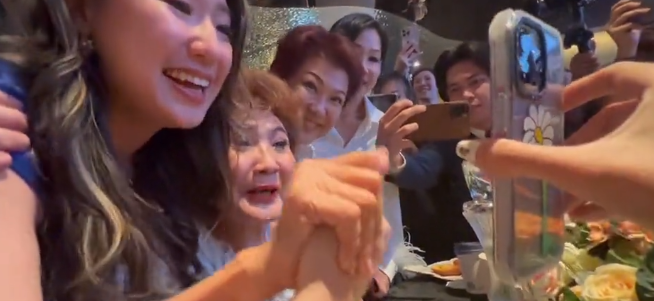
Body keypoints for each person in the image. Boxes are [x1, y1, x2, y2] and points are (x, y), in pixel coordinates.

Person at [0, 1, 388, 301]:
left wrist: (272, 267)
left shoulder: (172, 163)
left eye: (223, 27)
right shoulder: (16, 118)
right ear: (81, 8)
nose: (209, 47)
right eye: (178, 6)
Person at [328, 13, 429, 299]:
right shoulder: (306, 123)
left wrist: (384, 271)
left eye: (373, 58)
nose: (363, 67)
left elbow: (391, 223)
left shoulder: (387, 127)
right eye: (352, 52)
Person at [269, 25, 364, 154]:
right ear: (280, 77)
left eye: (336, 99)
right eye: (310, 86)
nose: (319, 109)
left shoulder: (310, 155)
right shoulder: (245, 144)